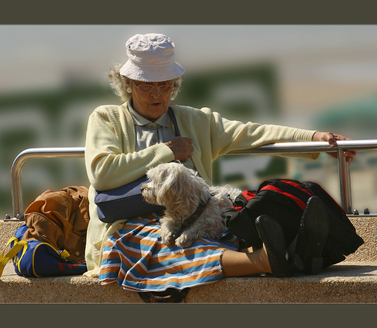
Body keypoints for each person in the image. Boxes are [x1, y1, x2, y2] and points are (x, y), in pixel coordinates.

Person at [83, 33, 356, 294]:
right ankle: (264, 260)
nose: (157, 94)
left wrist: (314, 140)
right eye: (146, 85)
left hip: (193, 219)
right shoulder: (107, 118)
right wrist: (166, 151)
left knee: (238, 220)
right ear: (128, 84)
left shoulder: (193, 121)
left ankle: (295, 249)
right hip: (128, 228)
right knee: (173, 246)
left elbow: (251, 133)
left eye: (165, 84)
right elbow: (101, 173)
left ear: (174, 85)